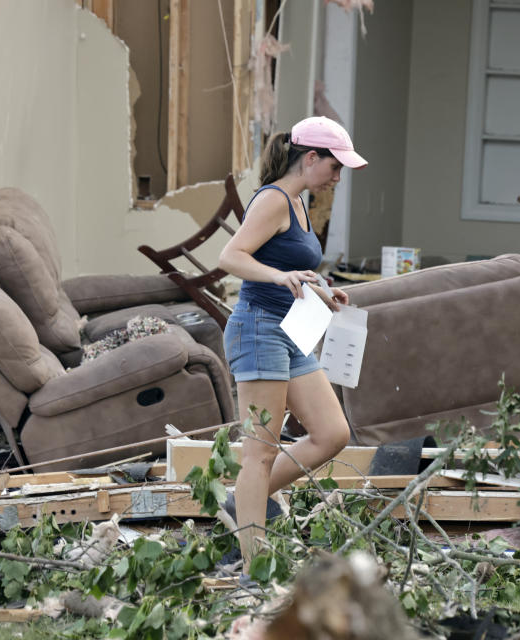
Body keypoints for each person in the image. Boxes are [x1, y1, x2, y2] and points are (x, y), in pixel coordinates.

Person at [217, 116, 368, 570]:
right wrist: (279, 276)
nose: (338, 177)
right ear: (310, 158)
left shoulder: (301, 203)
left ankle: (240, 501)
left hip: (289, 331)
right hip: (258, 330)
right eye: (335, 167)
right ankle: (253, 564)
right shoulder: (274, 200)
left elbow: (287, 261)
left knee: (333, 434)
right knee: (258, 455)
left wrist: (321, 288)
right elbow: (231, 257)